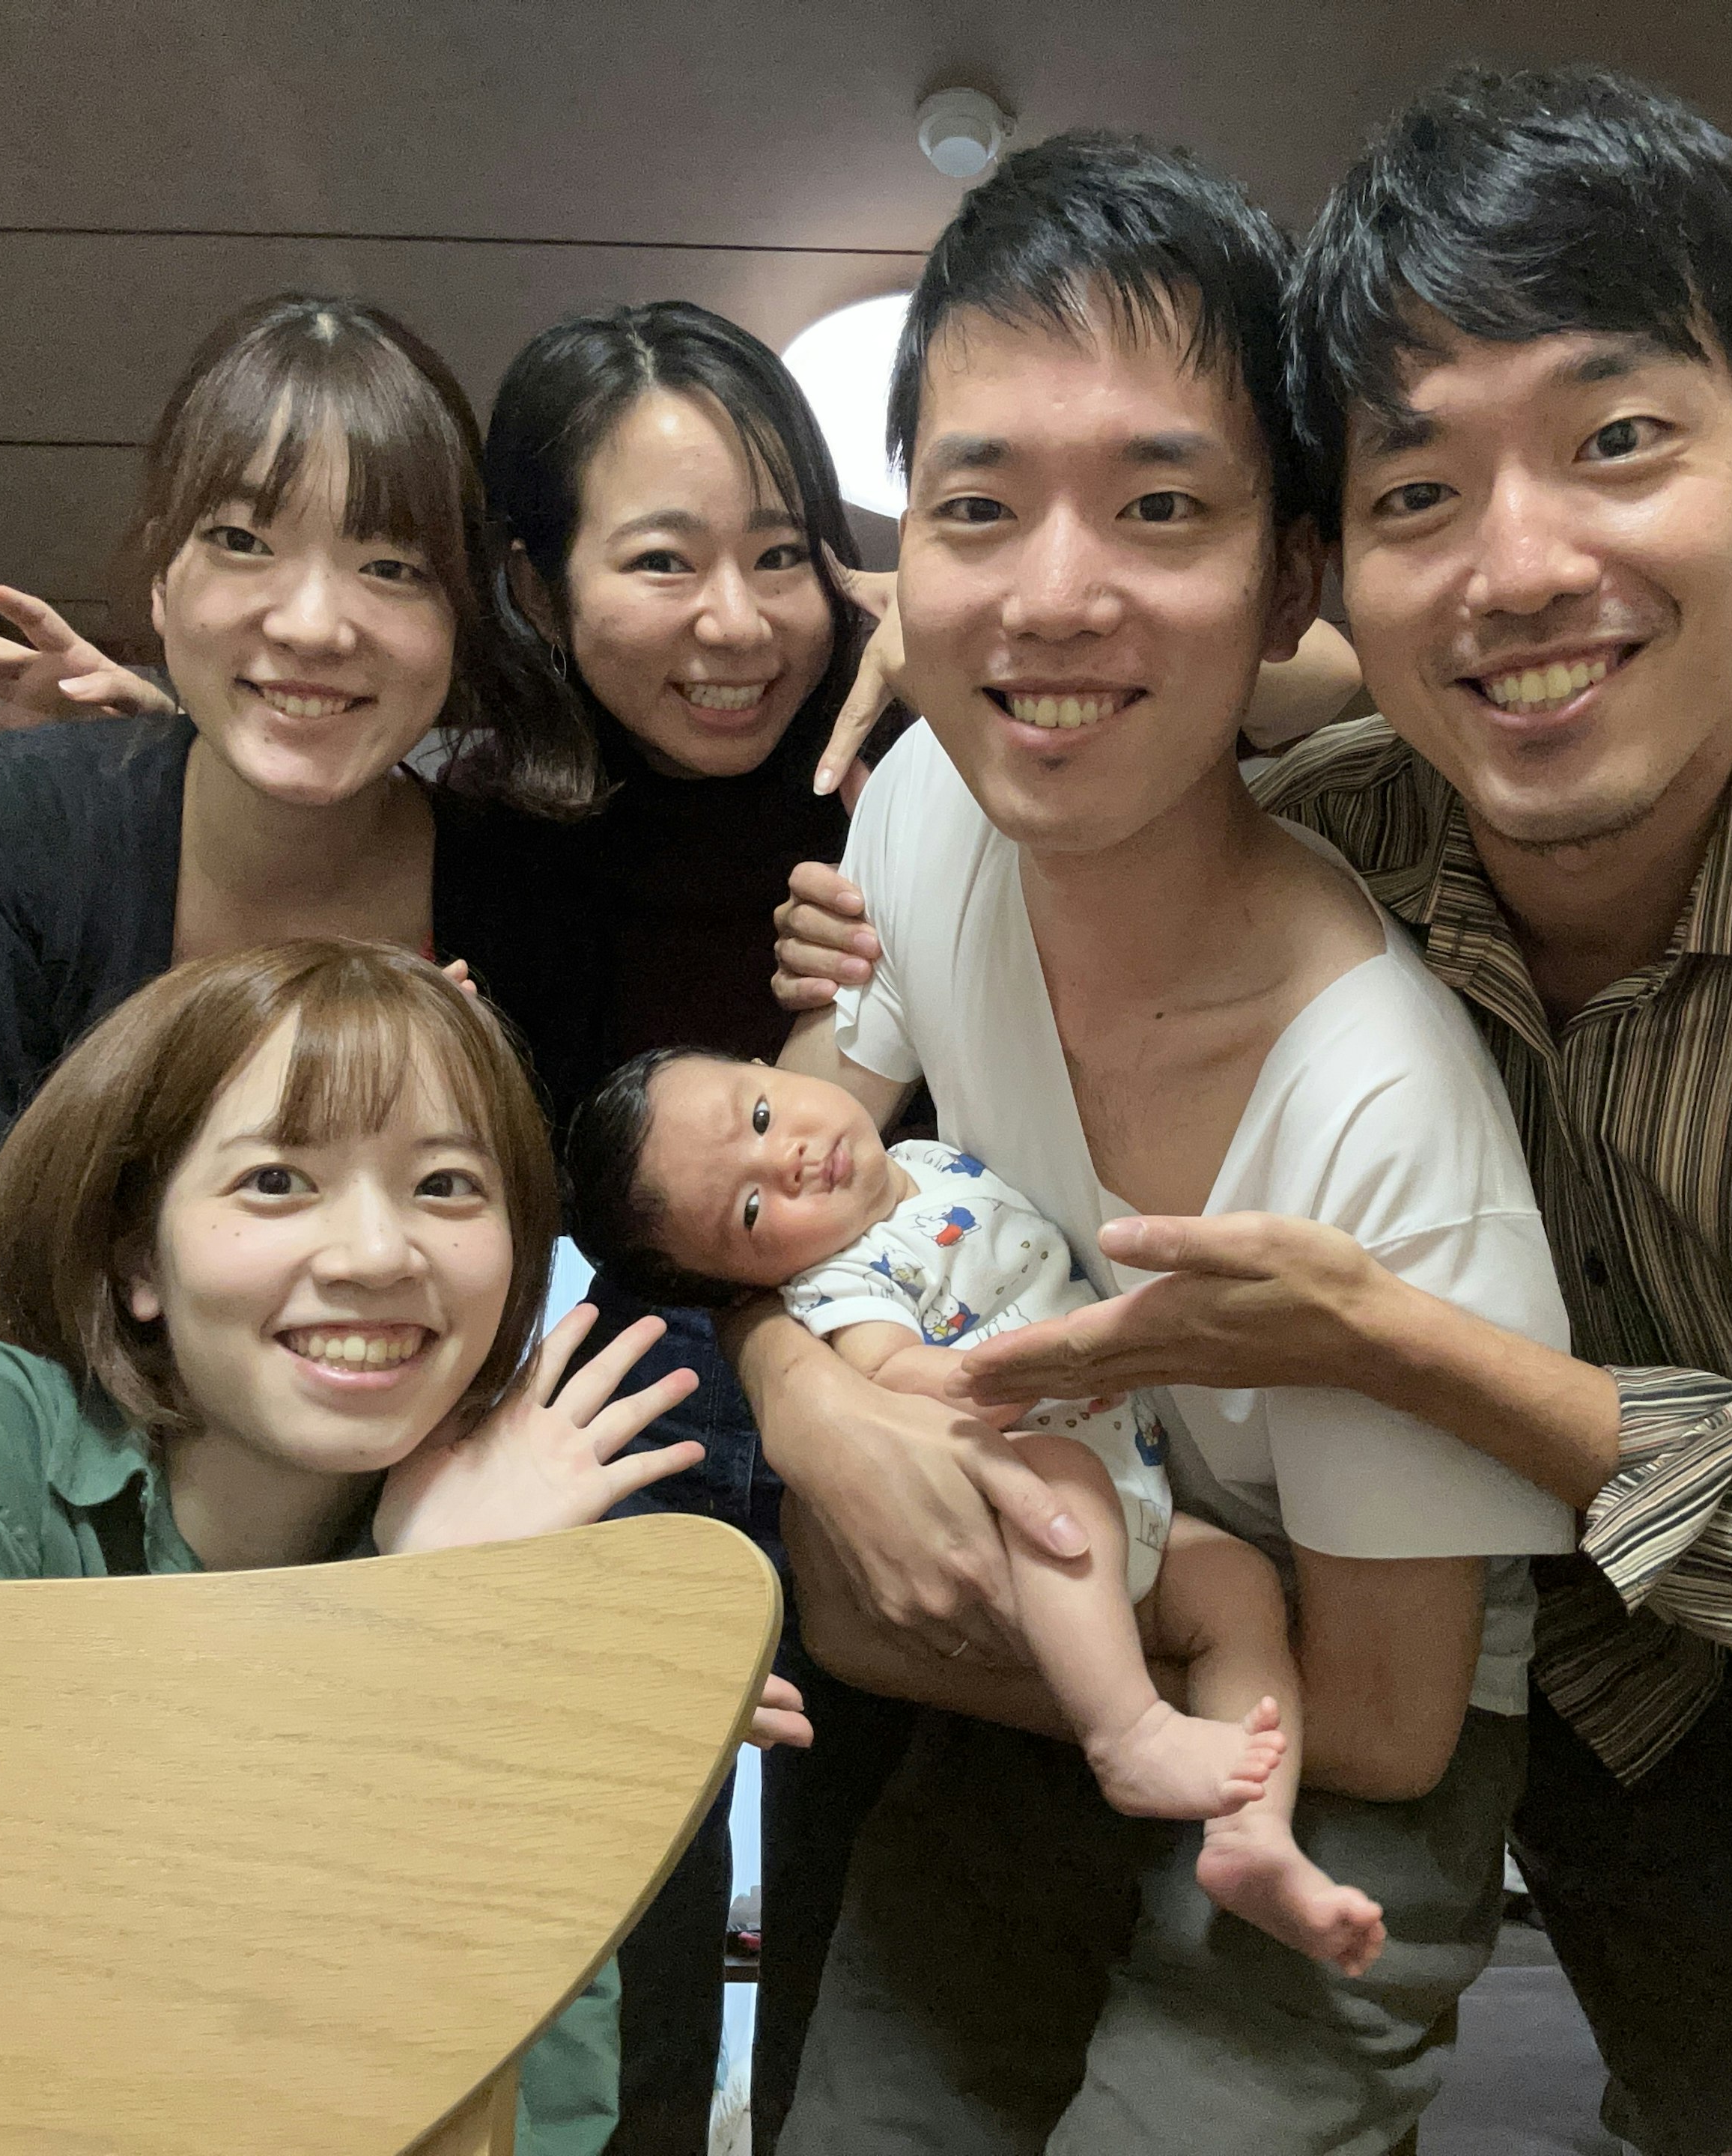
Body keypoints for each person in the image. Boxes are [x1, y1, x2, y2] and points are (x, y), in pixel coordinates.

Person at [789, 65, 1732, 2156]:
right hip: (1630, 1661)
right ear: (1346, 580)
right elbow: (1139, 741)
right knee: (1713, 2114)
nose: (1523, 565)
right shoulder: (1340, 829)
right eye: (1422, 494)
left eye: (1620, 439)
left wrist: (1389, 1342)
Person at [0, 296, 1359, 2152]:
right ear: (536, 578)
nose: (736, 623)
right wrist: (151, 725)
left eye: (778, 554)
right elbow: (317, 823)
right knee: (624, 1813)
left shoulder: (922, 741)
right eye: (660, 560)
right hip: (675, 1350)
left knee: (891, 1840)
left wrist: (964, 627)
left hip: (941, 1320)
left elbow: (1312, 679)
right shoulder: (503, 829)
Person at [729, 130, 1578, 2155]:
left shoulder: (1379, 1101)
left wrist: (921, 1624)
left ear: (1292, 575)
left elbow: (1378, 1717)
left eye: (1162, 506)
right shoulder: (930, 803)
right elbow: (787, 1168)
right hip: (1074, 1597)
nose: (1053, 598)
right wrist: (802, 1393)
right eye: (978, 504)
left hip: (1351, 1740)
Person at [0, 938, 812, 2155]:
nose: (376, 1255)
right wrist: (403, 1635)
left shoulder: (514, 1560)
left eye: (450, 1187)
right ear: (138, 1253)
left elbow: (541, 2119)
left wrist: (495, 1643)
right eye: (276, 1183)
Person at [0, 291, 592, 1352]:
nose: (310, 624)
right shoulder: (18, 831)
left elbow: (525, 1250)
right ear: (163, 579)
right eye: (243, 539)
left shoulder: (514, 889)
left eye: (391, 567)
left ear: (462, 617)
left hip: (365, 1486)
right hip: (26, 1460)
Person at [568, 1049, 1399, 1976]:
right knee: (1063, 1485)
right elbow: (888, 1378)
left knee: (1240, 1591)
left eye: (761, 1116)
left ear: (770, 1066)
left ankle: (1256, 1839)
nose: (791, 1159)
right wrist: (1023, 1369)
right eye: (752, 1211)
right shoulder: (842, 1285)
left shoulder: (927, 1159)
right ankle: (1127, 1734)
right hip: (1035, 1511)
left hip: (1130, 1485)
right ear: (743, 1289)